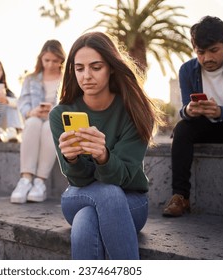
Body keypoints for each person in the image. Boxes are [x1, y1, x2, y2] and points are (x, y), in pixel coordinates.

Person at [49, 31, 163, 259]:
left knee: (86, 220)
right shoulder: (61, 113)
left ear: (111, 67)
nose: (86, 76)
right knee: (102, 198)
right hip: (78, 195)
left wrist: (103, 156)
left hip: (131, 202)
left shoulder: (135, 111)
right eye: (79, 68)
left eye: (96, 67)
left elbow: (126, 176)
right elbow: (78, 180)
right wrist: (71, 160)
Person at [162, 16, 223, 227]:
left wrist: (220, 112)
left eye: (214, 50)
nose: (207, 58)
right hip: (207, 124)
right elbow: (185, 108)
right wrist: (189, 109)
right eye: (200, 52)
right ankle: (181, 196)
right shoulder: (187, 70)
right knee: (182, 129)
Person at [10, 39, 66, 204]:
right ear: (41, 58)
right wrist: (31, 111)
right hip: (35, 117)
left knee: (50, 127)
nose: (50, 64)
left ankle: (40, 182)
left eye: (55, 61)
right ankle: (25, 180)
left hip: (54, 120)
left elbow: (70, 103)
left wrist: (55, 112)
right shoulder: (31, 79)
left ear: (61, 60)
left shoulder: (67, 79)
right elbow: (23, 102)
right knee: (32, 123)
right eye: (47, 60)